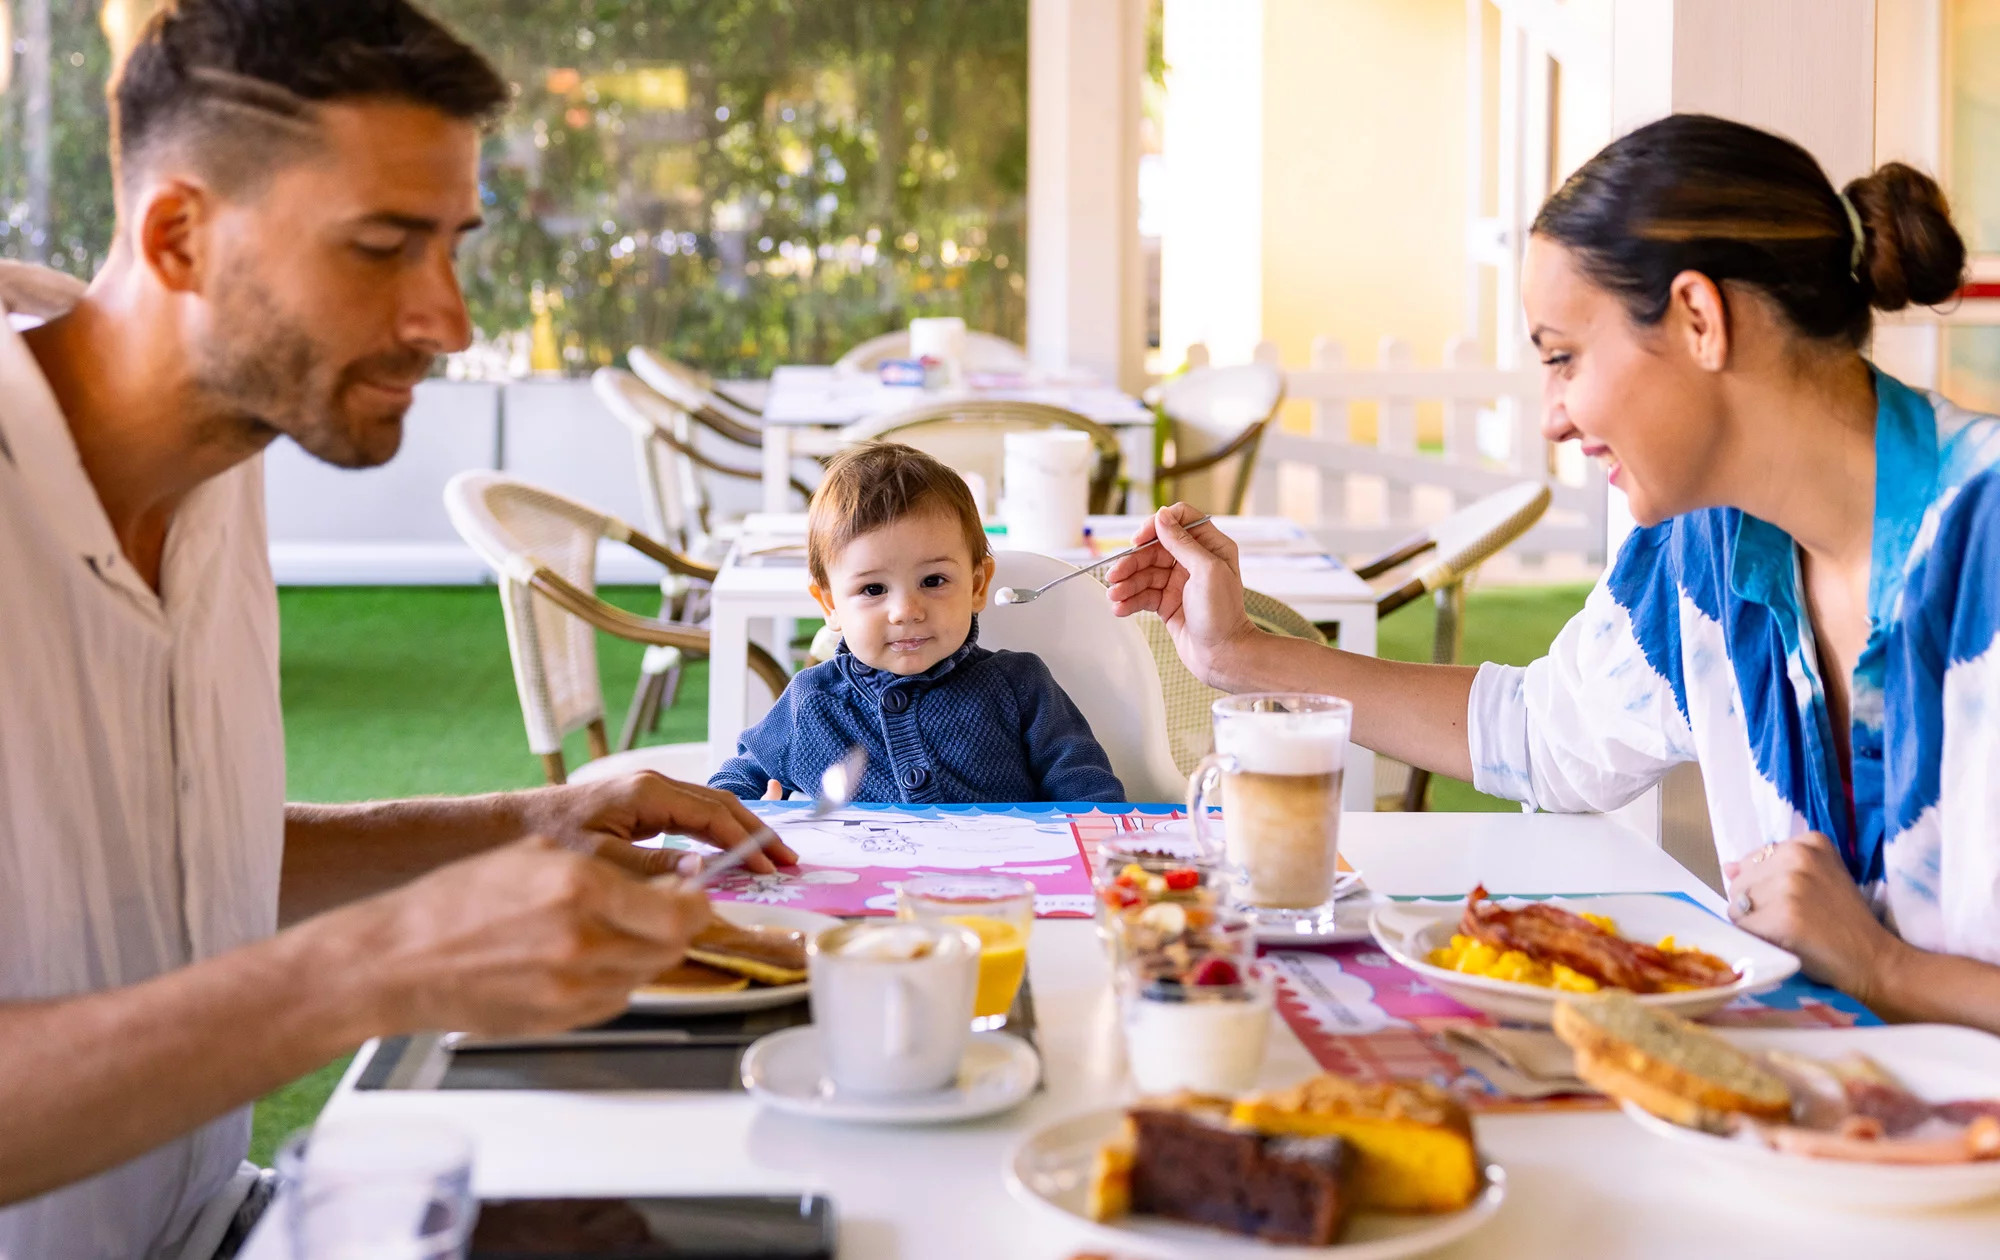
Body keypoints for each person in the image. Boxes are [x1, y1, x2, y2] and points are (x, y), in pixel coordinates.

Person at [0, 3, 793, 1256]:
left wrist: (518, 827)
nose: (449, 318)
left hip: (229, 1222)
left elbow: (157, 873)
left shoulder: (226, 458)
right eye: (381, 246)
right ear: (179, 237)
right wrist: (365, 970)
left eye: (451, 244)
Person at [1108, 113, 2000, 1033]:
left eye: (1564, 358)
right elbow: (1544, 734)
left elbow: (1874, 971)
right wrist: (1240, 655)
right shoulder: (1699, 553)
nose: (1553, 419)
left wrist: (1885, 969)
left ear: (1699, 318)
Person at [710, 442, 1124, 804]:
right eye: (873, 590)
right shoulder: (811, 703)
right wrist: (756, 811)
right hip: (858, 890)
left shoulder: (1020, 685)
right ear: (830, 603)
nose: (906, 610)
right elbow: (729, 786)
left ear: (977, 585)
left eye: (933, 581)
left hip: (999, 888)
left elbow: (1093, 798)